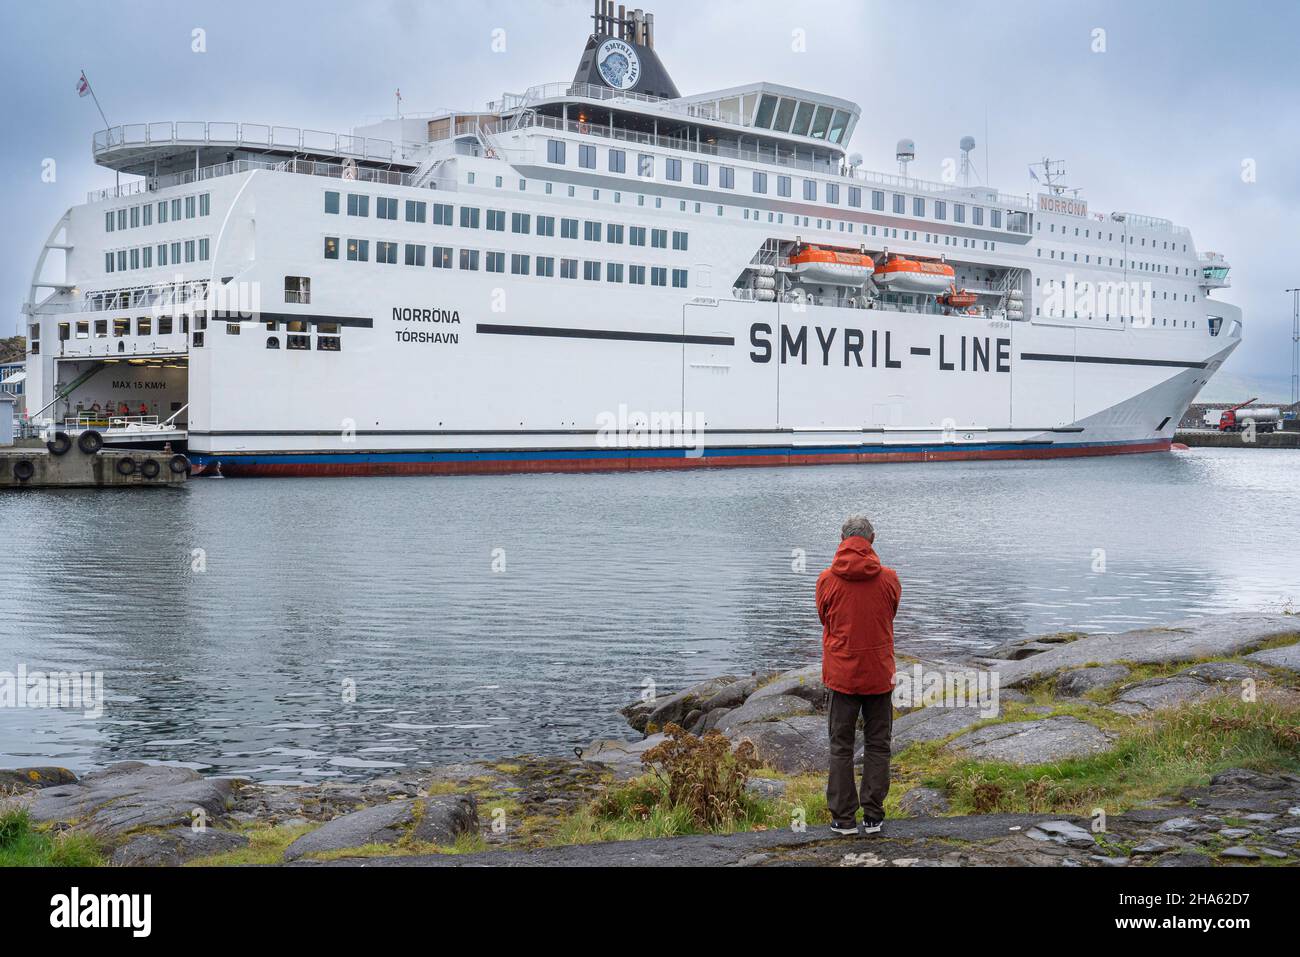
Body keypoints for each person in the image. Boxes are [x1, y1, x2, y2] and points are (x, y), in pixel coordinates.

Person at [816, 514, 901, 836]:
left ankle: (843, 819)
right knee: (879, 744)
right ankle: (874, 817)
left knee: (841, 746)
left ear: (842, 539)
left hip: (842, 675)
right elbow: (890, 613)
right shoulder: (889, 578)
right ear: (873, 539)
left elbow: (825, 619)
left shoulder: (826, 579)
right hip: (878, 674)